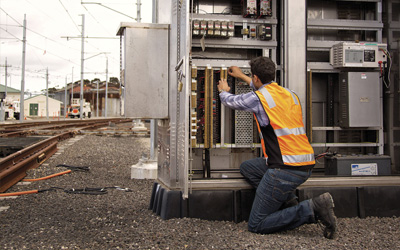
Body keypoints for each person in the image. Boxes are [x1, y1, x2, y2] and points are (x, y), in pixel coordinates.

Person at [217, 56, 337, 239]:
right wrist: (242, 76)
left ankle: (312, 209)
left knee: (257, 224)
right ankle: (287, 204)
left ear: (256, 77)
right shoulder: (289, 94)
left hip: (285, 167)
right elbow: (261, 91)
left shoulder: (260, 98)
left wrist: (223, 91)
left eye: (252, 77)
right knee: (248, 168)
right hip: (304, 163)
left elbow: (233, 102)